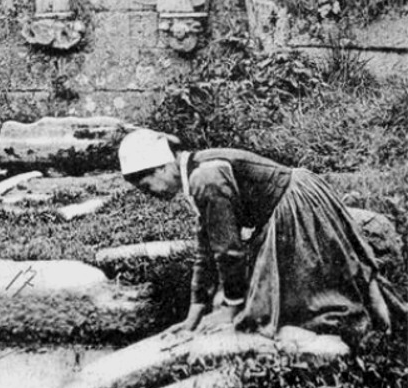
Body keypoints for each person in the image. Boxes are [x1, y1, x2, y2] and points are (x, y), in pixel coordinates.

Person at [118, 129, 405, 344]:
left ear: (164, 166)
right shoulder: (195, 172)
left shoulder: (205, 178)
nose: (151, 194)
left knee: (301, 303)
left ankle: (373, 331)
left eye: (147, 185)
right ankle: (385, 324)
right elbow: (205, 249)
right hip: (293, 197)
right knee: (340, 272)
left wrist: (232, 309)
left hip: (294, 205)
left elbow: (228, 251)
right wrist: (193, 315)